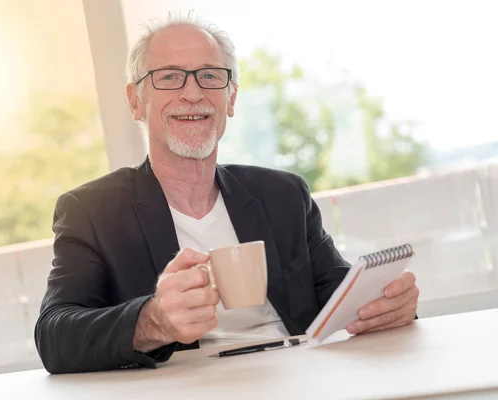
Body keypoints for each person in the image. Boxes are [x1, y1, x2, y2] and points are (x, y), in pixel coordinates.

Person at [34, 14, 419, 374]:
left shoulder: (283, 195)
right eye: (169, 77)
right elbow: (54, 336)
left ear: (231, 98)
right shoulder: (92, 210)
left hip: (300, 379)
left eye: (209, 76)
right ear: (136, 101)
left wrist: (385, 306)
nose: (192, 93)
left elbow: (341, 296)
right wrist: (153, 320)